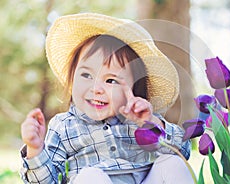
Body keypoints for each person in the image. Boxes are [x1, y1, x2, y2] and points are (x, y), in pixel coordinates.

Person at [20, 13, 192, 184]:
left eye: (111, 80)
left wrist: (150, 123)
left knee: (171, 163)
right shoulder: (64, 126)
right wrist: (35, 149)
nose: (96, 89)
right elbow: (46, 182)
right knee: (91, 176)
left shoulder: (138, 120)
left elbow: (182, 152)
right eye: (86, 75)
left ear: (134, 89)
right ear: (72, 79)